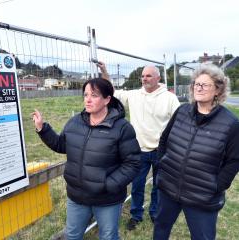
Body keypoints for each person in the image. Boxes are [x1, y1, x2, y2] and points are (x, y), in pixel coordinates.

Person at [32, 78, 141, 240]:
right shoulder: (75, 122)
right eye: (85, 95)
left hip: (107, 199)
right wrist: (43, 129)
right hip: (77, 196)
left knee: (109, 236)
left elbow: (132, 163)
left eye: (94, 95)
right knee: (72, 235)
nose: (88, 99)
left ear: (107, 99)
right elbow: (61, 145)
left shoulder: (122, 128)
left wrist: (108, 184)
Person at [153, 63, 239, 240]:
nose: (198, 88)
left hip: (202, 196)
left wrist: (216, 186)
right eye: (196, 84)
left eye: (205, 84)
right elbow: (164, 140)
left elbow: (234, 160)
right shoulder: (182, 111)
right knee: (161, 228)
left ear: (217, 90)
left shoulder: (230, 123)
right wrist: (162, 165)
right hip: (169, 187)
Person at [98, 62, 180, 230]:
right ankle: (136, 214)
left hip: (161, 151)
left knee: (159, 185)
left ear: (158, 78)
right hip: (138, 150)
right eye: (142, 76)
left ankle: (155, 213)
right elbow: (111, 91)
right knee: (137, 186)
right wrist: (105, 72)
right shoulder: (134, 95)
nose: (144, 79)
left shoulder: (169, 98)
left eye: (148, 75)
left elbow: (178, 122)